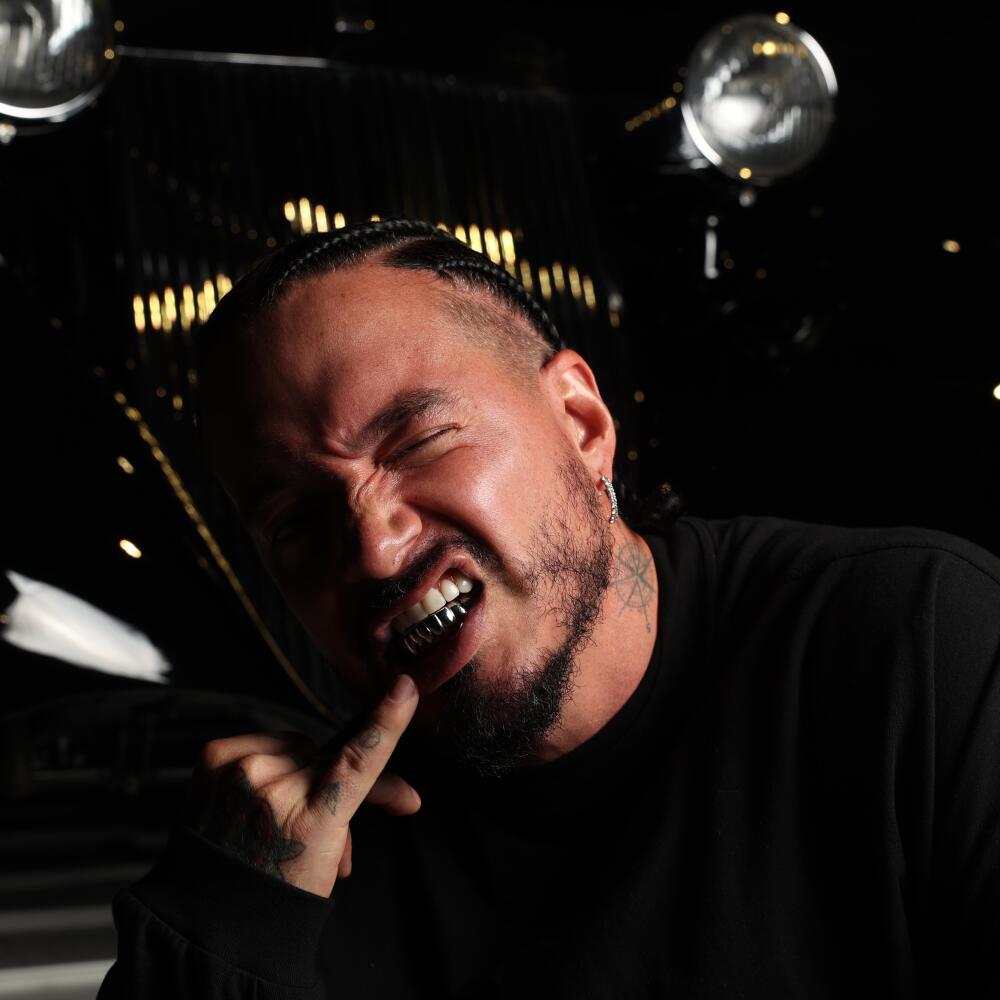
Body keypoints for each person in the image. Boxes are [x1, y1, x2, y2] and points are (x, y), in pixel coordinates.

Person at [99, 219, 1000, 998]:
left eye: (418, 439)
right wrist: (223, 930)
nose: (372, 547)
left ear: (582, 424)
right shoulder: (312, 866)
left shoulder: (914, 640)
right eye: (296, 522)